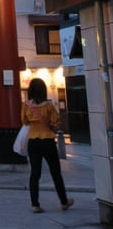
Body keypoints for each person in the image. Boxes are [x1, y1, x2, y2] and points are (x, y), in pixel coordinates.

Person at [22, 77, 73, 213]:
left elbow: (24, 121)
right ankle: (63, 201)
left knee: (35, 173)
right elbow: (56, 121)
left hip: (33, 141)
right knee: (55, 172)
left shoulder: (26, 106)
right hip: (48, 142)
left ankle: (35, 204)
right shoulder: (49, 106)